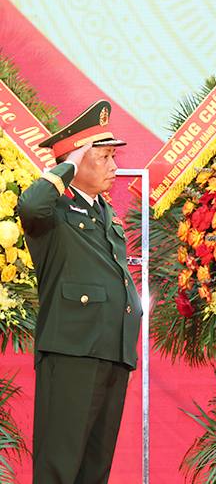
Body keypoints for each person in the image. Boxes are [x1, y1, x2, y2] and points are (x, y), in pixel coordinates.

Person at [18, 100, 139, 484]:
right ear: (77, 160)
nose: (114, 167)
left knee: (93, 470)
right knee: (60, 467)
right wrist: (67, 164)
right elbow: (31, 205)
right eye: (102, 157)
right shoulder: (54, 212)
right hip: (72, 351)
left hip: (111, 350)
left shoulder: (105, 213)